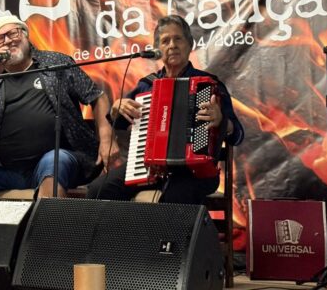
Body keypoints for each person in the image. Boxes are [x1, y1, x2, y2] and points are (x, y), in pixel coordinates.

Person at [0, 15, 114, 199]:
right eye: (0, 39)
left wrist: (106, 138)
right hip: (3, 169)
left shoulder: (56, 63)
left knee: (54, 161)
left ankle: (47, 219)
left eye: (13, 33)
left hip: (56, 162)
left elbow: (97, 97)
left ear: (26, 35)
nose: (8, 40)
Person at [86, 15, 244, 204]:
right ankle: (123, 226)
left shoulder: (209, 86)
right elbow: (120, 122)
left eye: (178, 39)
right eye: (165, 41)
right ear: (158, 50)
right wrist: (116, 109)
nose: (172, 45)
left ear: (190, 45)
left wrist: (222, 121)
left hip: (195, 172)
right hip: (148, 168)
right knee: (98, 190)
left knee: (172, 198)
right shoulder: (147, 85)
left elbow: (238, 134)